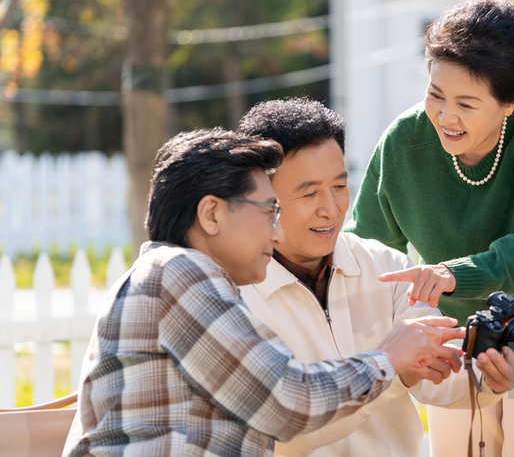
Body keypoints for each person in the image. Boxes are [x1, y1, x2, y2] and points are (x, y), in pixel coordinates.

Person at [62, 128, 465, 457]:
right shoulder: (179, 272)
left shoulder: (175, 277)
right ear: (212, 214)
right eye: (268, 211)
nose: (275, 231)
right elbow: (287, 402)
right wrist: (388, 359)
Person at [345, 0, 514, 457]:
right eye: (435, 94)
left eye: (466, 103)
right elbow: (367, 247)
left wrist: (450, 274)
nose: (446, 116)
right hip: (458, 331)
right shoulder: (404, 141)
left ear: (510, 103)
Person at [236, 98, 514, 457]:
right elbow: (278, 429)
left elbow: (441, 376)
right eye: (309, 192)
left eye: (340, 186)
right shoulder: (234, 294)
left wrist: (491, 377)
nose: (330, 208)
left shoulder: (384, 266)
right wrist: (389, 366)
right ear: (261, 197)